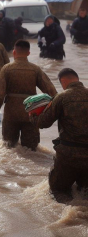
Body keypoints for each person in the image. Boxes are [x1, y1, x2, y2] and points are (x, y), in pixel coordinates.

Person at [30, 68, 88, 203]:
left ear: (63, 81)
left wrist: (32, 116)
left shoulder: (62, 97)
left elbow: (44, 122)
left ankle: (67, 220)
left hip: (68, 155)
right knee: (85, 191)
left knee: (58, 191)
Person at [0, 40, 57, 151]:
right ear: (29, 53)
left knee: (9, 148)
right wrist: (56, 111)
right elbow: (51, 91)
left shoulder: (6, 69)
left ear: (14, 52)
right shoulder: (35, 69)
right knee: (31, 150)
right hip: (31, 113)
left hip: (11, 114)